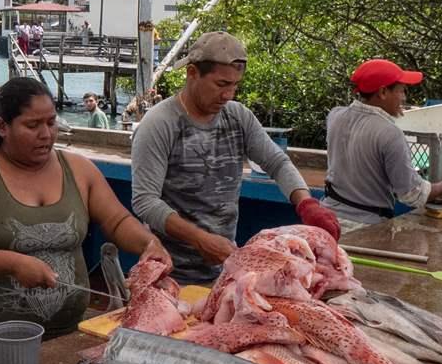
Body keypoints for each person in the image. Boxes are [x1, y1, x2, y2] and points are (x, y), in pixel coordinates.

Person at [0, 77, 170, 364]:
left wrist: (148, 245)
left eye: (51, 123)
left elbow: (117, 221)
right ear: (3, 127)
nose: (46, 134)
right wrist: (15, 263)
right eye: (32, 126)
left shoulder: (78, 170)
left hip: (67, 336)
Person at [130, 32, 341, 284]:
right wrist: (200, 239)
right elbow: (145, 201)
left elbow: (277, 162)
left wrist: (306, 203)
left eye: (235, 85)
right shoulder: (160, 123)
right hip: (169, 273)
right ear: (192, 73)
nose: (229, 94)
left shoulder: (238, 117)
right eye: (221, 84)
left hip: (224, 270)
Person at [324, 59, 442, 227]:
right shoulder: (389, 133)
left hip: (327, 218)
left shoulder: (335, 116)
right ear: (382, 92)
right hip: (364, 226)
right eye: (401, 91)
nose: (403, 98)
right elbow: (411, 194)